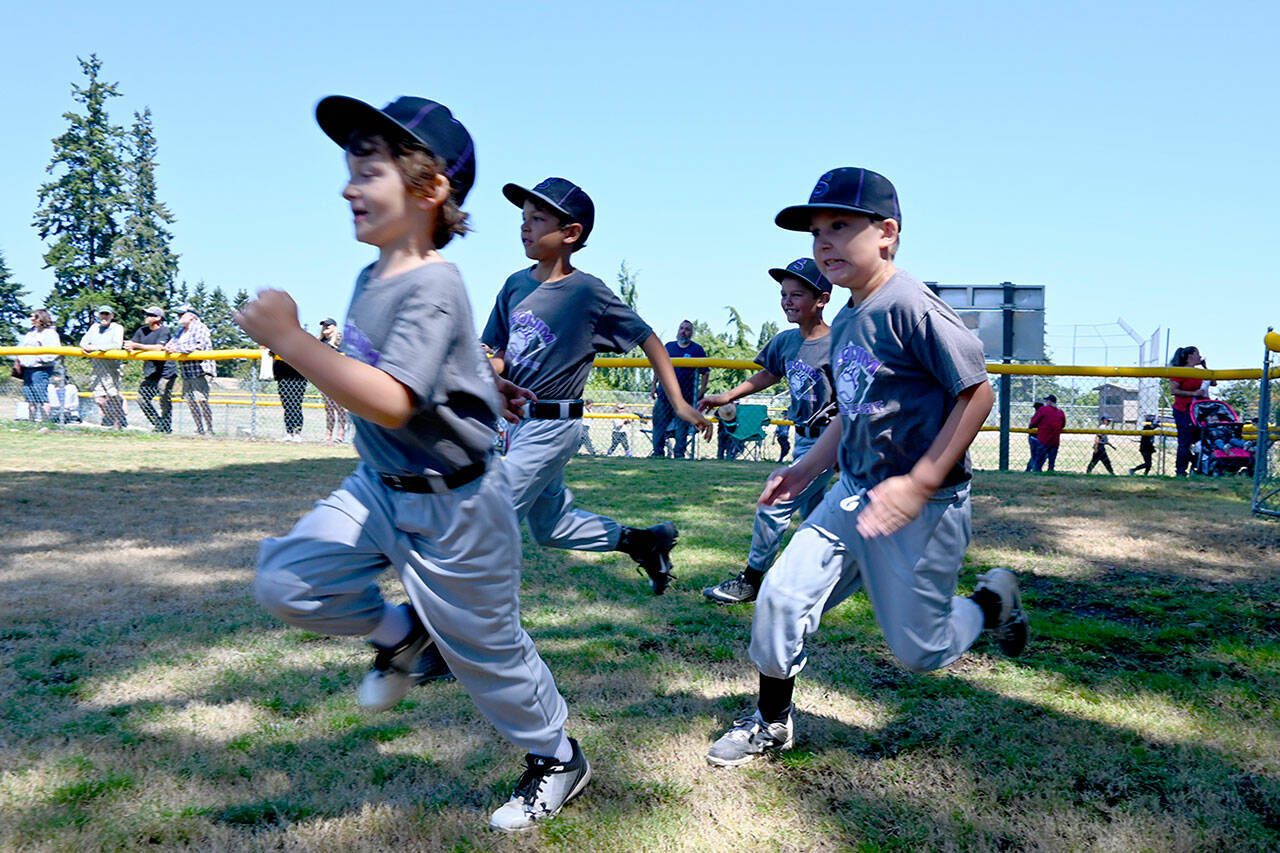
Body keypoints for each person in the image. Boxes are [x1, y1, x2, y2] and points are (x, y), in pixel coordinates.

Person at [239, 95, 587, 833]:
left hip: (456, 507)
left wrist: (293, 340)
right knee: (287, 578)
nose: (348, 186)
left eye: (369, 171)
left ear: (430, 191)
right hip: (377, 485)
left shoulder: (436, 280)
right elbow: (422, 366)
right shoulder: (374, 278)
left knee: (487, 654)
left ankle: (557, 754)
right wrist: (482, 380)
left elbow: (394, 398)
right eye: (349, 169)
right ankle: (401, 634)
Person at [706, 167, 1027, 768]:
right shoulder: (849, 318)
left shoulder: (911, 306)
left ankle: (991, 603)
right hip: (851, 494)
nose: (823, 242)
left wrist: (922, 480)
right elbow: (852, 413)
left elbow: (976, 394)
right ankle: (771, 722)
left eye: (839, 226)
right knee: (779, 596)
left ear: (886, 233)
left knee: (920, 651)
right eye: (815, 232)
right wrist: (806, 468)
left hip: (922, 507)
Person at [481, 176, 711, 595]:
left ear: (571, 233)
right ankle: (644, 542)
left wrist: (677, 401)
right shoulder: (514, 284)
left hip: (553, 425)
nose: (524, 226)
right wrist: (491, 370)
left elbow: (648, 338)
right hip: (512, 424)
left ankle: (443, 630)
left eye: (537, 218)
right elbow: (498, 350)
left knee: (489, 517)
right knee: (550, 528)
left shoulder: (587, 292)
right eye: (523, 218)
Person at [699, 258, 836, 605]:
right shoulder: (786, 341)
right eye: (783, 294)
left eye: (797, 294)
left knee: (776, 500)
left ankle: (752, 579)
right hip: (805, 437)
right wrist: (728, 395)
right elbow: (769, 374)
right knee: (819, 516)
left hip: (832, 439)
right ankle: (832, 577)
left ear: (822, 299)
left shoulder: (839, 343)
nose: (788, 301)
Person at [650, 319, 709, 458]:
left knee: (682, 427)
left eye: (687, 329)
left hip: (685, 398)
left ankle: (679, 454)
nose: (684, 331)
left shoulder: (697, 349)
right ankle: (657, 453)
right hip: (665, 395)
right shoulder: (668, 347)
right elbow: (658, 367)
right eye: (681, 328)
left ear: (691, 333)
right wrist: (653, 386)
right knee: (659, 424)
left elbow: (705, 372)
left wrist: (702, 391)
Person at [165, 305, 217, 435]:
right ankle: (199, 429)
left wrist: (177, 348)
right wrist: (171, 347)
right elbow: (170, 344)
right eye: (178, 314)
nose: (179, 317)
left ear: (192, 315)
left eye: (181, 314)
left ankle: (209, 429)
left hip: (201, 370)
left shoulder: (200, 327)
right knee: (191, 401)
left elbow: (198, 347)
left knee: (202, 400)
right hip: (186, 370)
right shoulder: (180, 330)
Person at [124, 306, 177, 433]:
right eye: (146, 314)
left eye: (149, 314)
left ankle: (166, 426)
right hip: (151, 372)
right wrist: (129, 347)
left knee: (164, 399)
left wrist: (136, 345)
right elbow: (132, 345)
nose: (145, 317)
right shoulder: (141, 331)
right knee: (142, 399)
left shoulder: (164, 331)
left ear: (158, 318)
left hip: (166, 371)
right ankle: (159, 424)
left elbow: (158, 348)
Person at [1169, 346, 1215, 476]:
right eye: (1197, 354)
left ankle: (1198, 467)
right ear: (1190, 356)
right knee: (1185, 441)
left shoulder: (1200, 372)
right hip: (1184, 410)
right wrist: (1193, 393)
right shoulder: (1180, 372)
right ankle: (1181, 470)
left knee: (1202, 440)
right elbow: (1174, 390)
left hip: (1200, 411)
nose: (1200, 357)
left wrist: (1206, 368)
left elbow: (1213, 382)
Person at [79, 305, 127, 429]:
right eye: (102, 314)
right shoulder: (94, 327)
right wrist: (85, 347)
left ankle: (118, 424)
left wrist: (94, 347)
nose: (104, 316)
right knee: (99, 399)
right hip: (97, 366)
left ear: (112, 316)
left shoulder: (117, 328)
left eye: (107, 314)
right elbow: (83, 342)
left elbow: (116, 345)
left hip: (112, 367)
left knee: (113, 395)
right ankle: (114, 419)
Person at [13, 308, 60, 421]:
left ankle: (46, 422)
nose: (31, 319)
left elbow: (55, 351)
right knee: (30, 397)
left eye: (33, 317)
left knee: (41, 396)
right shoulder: (31, 332)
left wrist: (40, 359)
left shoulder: (50, 333)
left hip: (40, 369)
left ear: (40, 318)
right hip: (27, 368)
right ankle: (31, 422)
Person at [318, 318, 347, 442]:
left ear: (334, 327)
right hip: (324, 378)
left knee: (340, 407)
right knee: (329, 408)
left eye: (327, 326)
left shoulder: (340, 340)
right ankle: (328, 434)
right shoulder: (320, 341)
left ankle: (340, 434)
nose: (325, 328)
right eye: (323, 326)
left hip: (339, 379)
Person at [272, 353, 307, 440]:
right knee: (287, 405)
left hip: (298, 376)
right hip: (283, 374)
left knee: (296, 404)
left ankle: (297, 432)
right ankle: (289, 432)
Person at [1028, 394, 1065, 471]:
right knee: (1051, 462)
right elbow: (1063, 424)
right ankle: (1050, 471)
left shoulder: (1043, 409)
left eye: (1046, 401)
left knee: (1039, 460)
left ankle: (1037, 472)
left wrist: (1031, 427)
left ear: (1049, 402)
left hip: (1043, 439)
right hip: (1055, 440)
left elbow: (1033, 422)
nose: (1045, 402)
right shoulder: (1060, 412)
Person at [1024, 401, 1043, 472]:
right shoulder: (1038, 416)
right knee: (1036, 455)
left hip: (1035, 437)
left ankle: (1033, 469)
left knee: (1036, 455)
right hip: (1035, 437)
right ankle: (1033, 469)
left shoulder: (1038, 416)